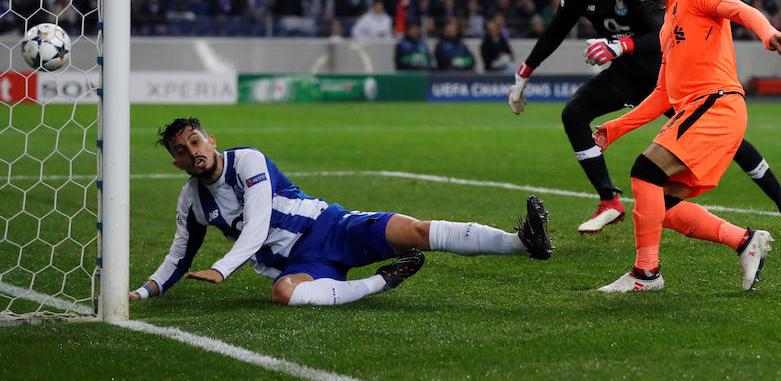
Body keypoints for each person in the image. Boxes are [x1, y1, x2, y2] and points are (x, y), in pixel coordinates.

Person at [507, 0, 781, 238]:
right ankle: (612, 203)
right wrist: (524, 73)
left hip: (689, 87)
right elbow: (557, 31)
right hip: (638, 76)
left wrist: (769, 33)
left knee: (715, 151)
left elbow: (733, 11)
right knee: (579, 120)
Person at [129, 118, 553, 306]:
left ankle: (522, 242)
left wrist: (222, 268)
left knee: (418, 231)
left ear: (212, 140)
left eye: (196, 141)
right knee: (283, 294)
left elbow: (256, 226)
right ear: (177, 163)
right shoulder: (191, 201)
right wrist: (144, 291)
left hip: (330, 227)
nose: (192, 151)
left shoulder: (248, 161)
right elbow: (179, 255)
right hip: (300, 265)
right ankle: (379, 283)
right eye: (182, 150)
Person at [591, 0, 781, 292]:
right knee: (661, 205)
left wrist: (767, 31)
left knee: (644, 172)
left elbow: (742, 10)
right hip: (703, 110)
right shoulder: (668, 23)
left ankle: (646, 273)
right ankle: (745, 241)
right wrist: (614, 129)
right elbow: (663, 94)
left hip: (717, 104)